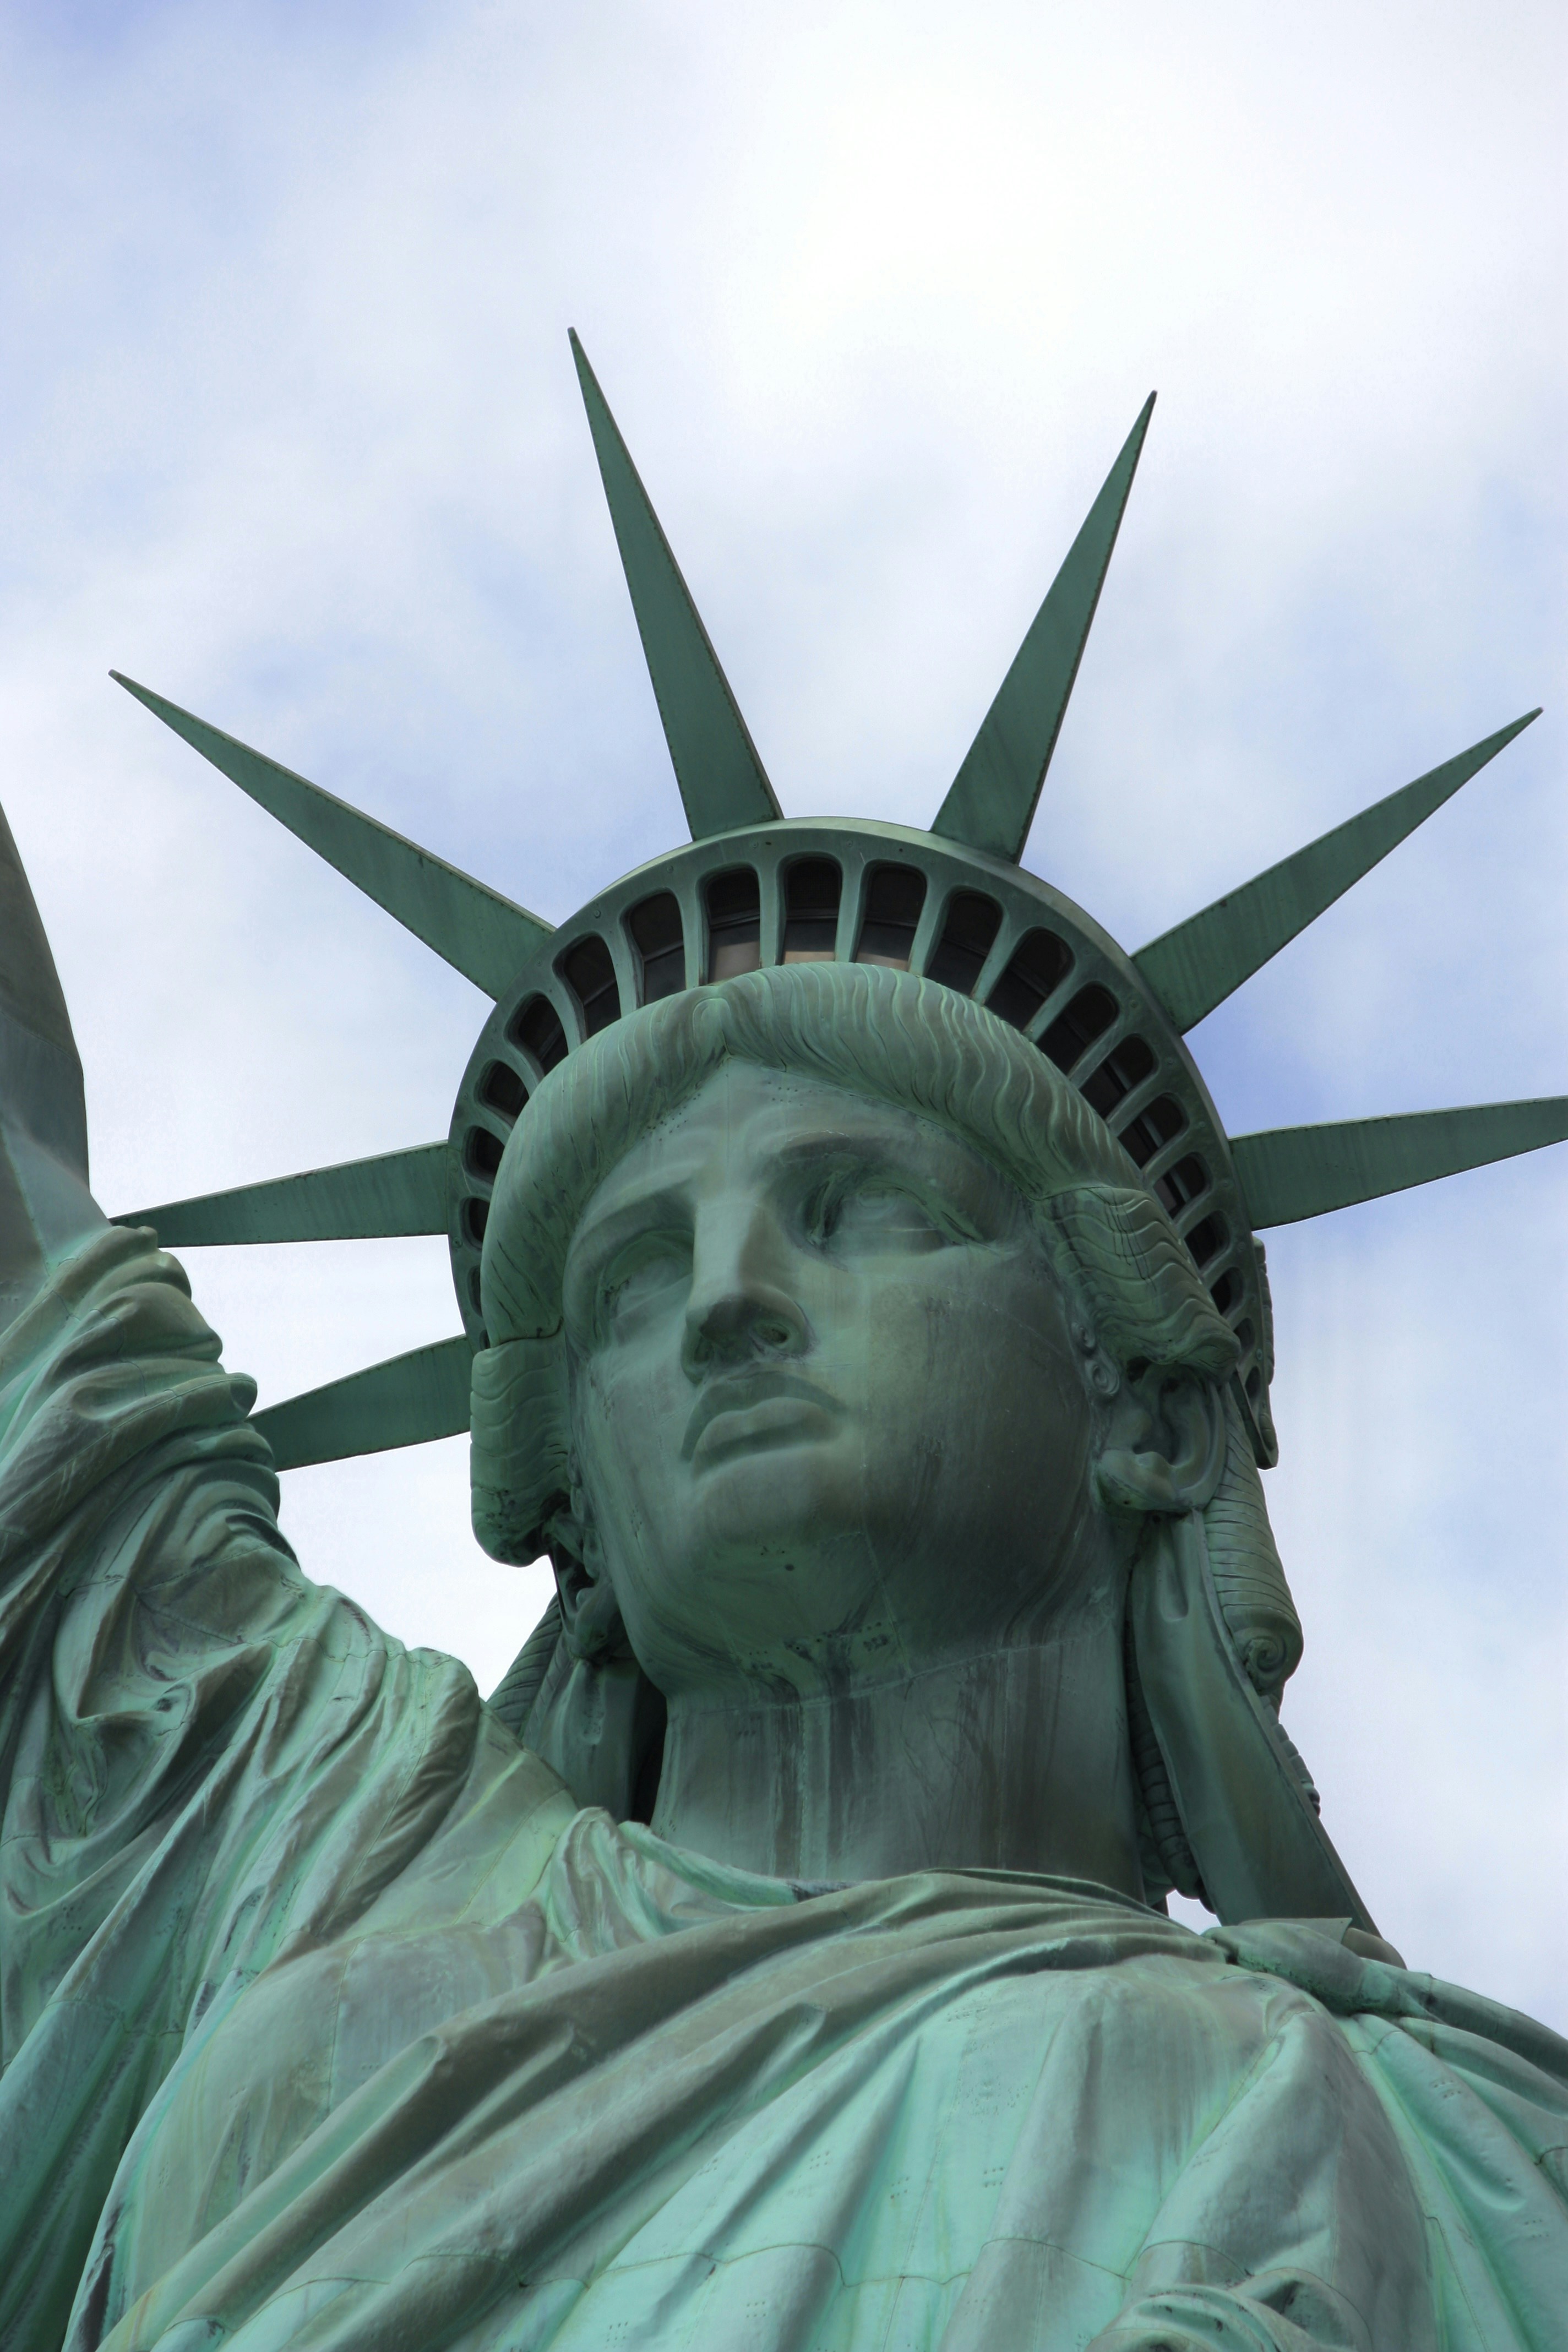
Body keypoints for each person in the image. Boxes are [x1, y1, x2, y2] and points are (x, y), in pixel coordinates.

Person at [0, 818, 1562, 2352]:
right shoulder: (306, 1857)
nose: (729, 1301)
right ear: (578, 1517)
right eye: (630, 1283)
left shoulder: (1422, 2145)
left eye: (865, 1211)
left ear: (1148, 1412)